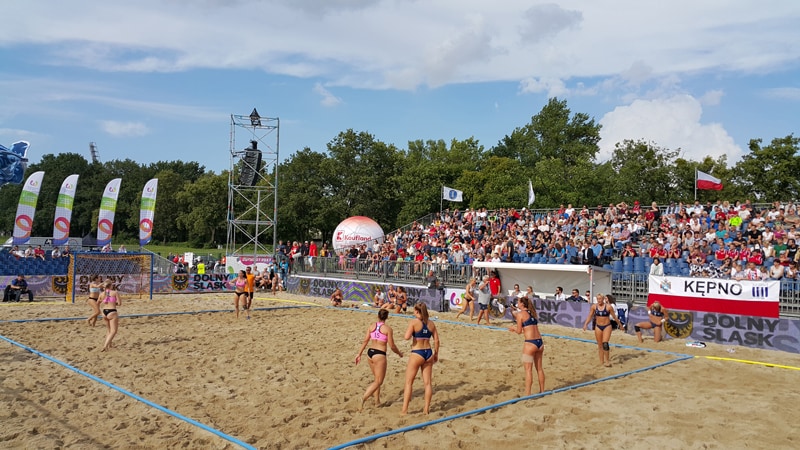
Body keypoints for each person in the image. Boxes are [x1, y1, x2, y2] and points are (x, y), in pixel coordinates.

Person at [355, 309, 404, 410]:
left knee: (376, 379)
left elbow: (365, 341)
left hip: (370, 353)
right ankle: (363, 398)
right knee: (379, 381)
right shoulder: (388, 329)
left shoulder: (371, 326)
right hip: (379, 354)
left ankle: (377, 402)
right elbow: (392, 345)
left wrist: (359, 354)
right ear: (386, 317)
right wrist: (399, 353)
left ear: (378, 316)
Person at [401, 303, 440, 415]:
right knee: (427, 383)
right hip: (428, 352)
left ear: (417, 312)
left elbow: (406, 337)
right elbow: (437, 340)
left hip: (417, 352)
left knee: (409, 382)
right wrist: (436, 354)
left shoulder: (414, 322)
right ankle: (426, 409)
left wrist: (413, 332)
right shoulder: (431, 323)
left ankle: (404, 410)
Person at [509, 296, 545, 395]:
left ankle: (527, 394)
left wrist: (513, 328)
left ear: (522, 304)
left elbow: (519, 331)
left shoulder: (520, 314)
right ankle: (542, 391)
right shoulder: (532, 313)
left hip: (530, 343)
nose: (517, 303)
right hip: (540, 343)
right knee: (539, 369)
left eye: (518, 302)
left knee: (528, 370)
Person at [582, 293, 623, 367]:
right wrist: (586, 324)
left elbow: (614, 317)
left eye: (600, 299)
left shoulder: (608, 307)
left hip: (607, 326)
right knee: (600, 345)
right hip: (598, 326)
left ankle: (607, 361)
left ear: (603, 299)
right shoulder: (594, 306)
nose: (599, 300)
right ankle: (601, 362)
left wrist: (620, 325)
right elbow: (590, 316)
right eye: (598, 299)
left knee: (605, 343)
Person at [99, 280, 121, 351]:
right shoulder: (115, 292)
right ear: (110, 286)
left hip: (104, 311)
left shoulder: (102, 294)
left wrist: (105, 301)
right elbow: (119, 303)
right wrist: (114, 303)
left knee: (109, 330)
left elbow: (98, 302)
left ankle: (110, 345)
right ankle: (105, 346)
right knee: (113, 331)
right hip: (112, 311)